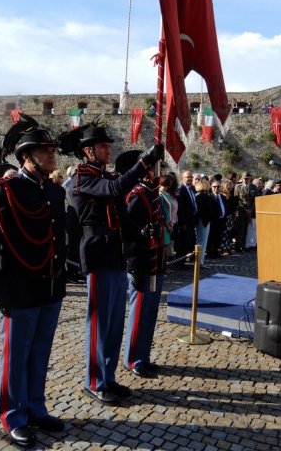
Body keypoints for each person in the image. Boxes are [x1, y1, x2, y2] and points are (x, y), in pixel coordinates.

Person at [0, 115, 67, 448]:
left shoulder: (55, 193)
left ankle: (35, 408)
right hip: (20, 290)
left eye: (52, 150)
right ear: (27, 157)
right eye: (43, 151)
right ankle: (12, 415)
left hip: (51, 288)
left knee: (40, 353)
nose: (51, 156)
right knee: (16, 356)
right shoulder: (7, 189)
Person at [67, 125, 164, 405]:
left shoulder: (105, 175)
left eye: (109, 146)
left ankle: (108, 377)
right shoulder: (83, 177)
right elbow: (114, 189)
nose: (109, 150)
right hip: (97, 253)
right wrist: (143, 161)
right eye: (103, 146)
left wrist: (141, 233)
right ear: (88, 151)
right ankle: (94, 381)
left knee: (114, 323)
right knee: (99, 323)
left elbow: (122, 214)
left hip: (116, 253)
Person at [115, 150, 166, 379]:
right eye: (153, 167)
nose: (157, 171)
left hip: (157, 262)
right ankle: (133, 359)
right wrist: (133, 266)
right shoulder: (137, 195)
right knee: (139, 313)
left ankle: (143, 356)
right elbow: (129, 235)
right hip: (142, 263)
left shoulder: (153, 194)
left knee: (150, 313)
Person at [175, 170, 198, 266]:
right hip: (185, 221)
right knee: (182, 243)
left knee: (189, 241)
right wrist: (183, 223)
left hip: (191, 219)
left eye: (191, 177)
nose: (190, 179)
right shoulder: (181, 190)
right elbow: (180, 209)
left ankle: (184, 260)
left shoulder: (192, 188)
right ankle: (180, 263)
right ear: (182, 178)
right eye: (187, 177)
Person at [194, 179, 217, 266]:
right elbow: (211, 211)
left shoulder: (195, 196)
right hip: (204, 222)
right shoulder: (207, 198)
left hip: (197, 221)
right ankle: (200, 262)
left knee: (198, 241)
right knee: (202, 242)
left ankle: (198, 260)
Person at [233, 171, 256, 252]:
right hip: (241, 210)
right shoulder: (238, 187)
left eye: (247, 178)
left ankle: (244, 245)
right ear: (242, 179)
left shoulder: (253, 187)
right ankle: (238, 246)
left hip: (249, 210)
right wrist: (245, 209)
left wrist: (251, 210)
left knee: (246, 228)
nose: (246, 180)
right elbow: (237, 200)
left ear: (249, 178)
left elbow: (254, 199)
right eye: (244, 178)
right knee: (241, 229)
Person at [206, 180, 227, 258]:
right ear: (211, 188)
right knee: (211, 237)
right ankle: (209, 252)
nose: (216, 188)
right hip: (213, 221)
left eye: (218, 187)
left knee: (218, 237)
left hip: (221, 220)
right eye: (214, 187)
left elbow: (224, 207)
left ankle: (215, 251)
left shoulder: (222, 196)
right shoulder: (209, 197)